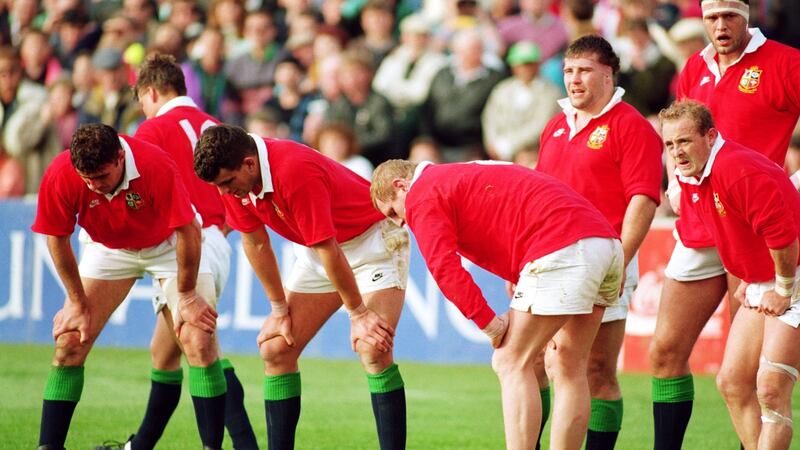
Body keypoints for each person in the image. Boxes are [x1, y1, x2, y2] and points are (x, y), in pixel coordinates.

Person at [370, 159, 624, 449]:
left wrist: (490, 325)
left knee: (509, 360)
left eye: (392, 211)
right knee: (569, 364)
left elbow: (444, 268)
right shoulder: (460, 172)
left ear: (401, 185)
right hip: (604, 243)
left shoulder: (423, 193)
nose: (400, 222)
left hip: (563, 247)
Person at [193, 124, 409, 450]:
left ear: (250, 164)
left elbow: (328, 248)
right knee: (276, 348)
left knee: (372, 347)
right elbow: (255, 241)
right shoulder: (236, 179)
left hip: (372, 244)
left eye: (227, 183)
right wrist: (279, 309)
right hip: (319, 250)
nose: (225, 194)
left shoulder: (292, 170)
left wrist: (359, 313)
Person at [649, 1, 800, 448]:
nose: (720, 25)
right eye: (712, 16)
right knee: (665, 352)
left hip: (758, 228)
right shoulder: (694, 65)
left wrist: (790, 183)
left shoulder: (787, 63)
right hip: (700, 221)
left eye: (730, 15)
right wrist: (676, 180)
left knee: (751, 375)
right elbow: (679, 128)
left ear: (747, 13)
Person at [94, 53, 260, 450]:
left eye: (141, 99)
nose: (142, 107)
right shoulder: (219, 128)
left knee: (201, 347)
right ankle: (140, 445)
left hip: (182, 245)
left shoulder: (150, 131)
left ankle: (244, 445)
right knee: (165, 351)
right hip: (217, 240)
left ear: (150, 91)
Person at [32, 124, 226, 450]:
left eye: (102, 176)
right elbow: (57, 238)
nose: (94, 186)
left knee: (198, 338)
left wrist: (189, 295)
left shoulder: (155, 165)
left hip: (167, 245)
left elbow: (189, 232)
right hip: (108, 249)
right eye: (86, 179)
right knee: (69, 341)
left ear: (120, 157)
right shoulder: (61, 173)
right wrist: (76, 303)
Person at [536, 35, 663, 449]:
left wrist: (619, 261)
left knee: (597, 369)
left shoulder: (632, 127)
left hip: (604, 260)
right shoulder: (555, 126)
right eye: (569, 71)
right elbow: (537, 199)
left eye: (584, 70)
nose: (573, 80)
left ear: (608, 75)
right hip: (548, 263)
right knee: (535, 361)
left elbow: (642, 200)